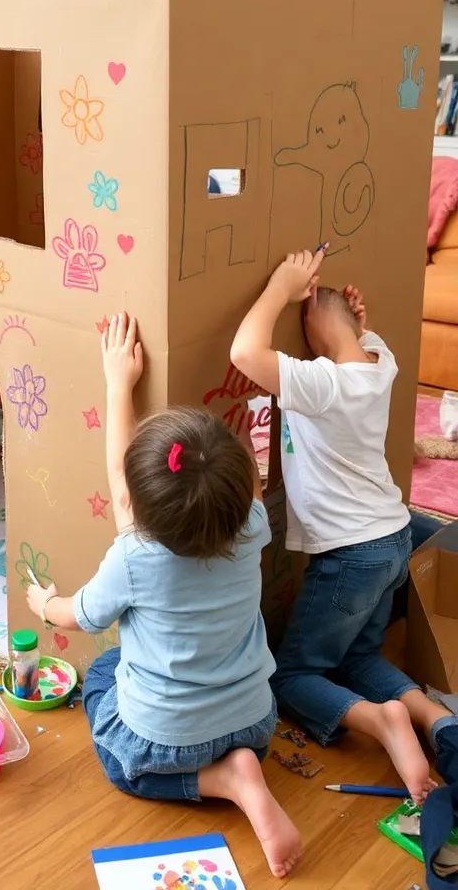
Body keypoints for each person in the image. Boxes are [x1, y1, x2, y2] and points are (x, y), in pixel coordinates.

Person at [25, 312, 301, 880]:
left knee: (102, 681)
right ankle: (242, 767)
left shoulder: (134, 556)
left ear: (138, 507)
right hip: (254, 720)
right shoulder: (252, 524)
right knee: (127, 664)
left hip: (165, 742)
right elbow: (245, 474)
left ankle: (225, 782)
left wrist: (41, 602)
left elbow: (78, 614)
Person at [231, 248, 455, 803]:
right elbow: (358, 337)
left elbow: (244, 352)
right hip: (393, 537)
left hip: (352, 556)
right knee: (358, 658)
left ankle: (385, 724)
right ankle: (437, 721)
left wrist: (282, 288)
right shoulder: (381, 362)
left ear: (311, 332)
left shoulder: (323, 384)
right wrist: (352, 321)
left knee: (288, 675)